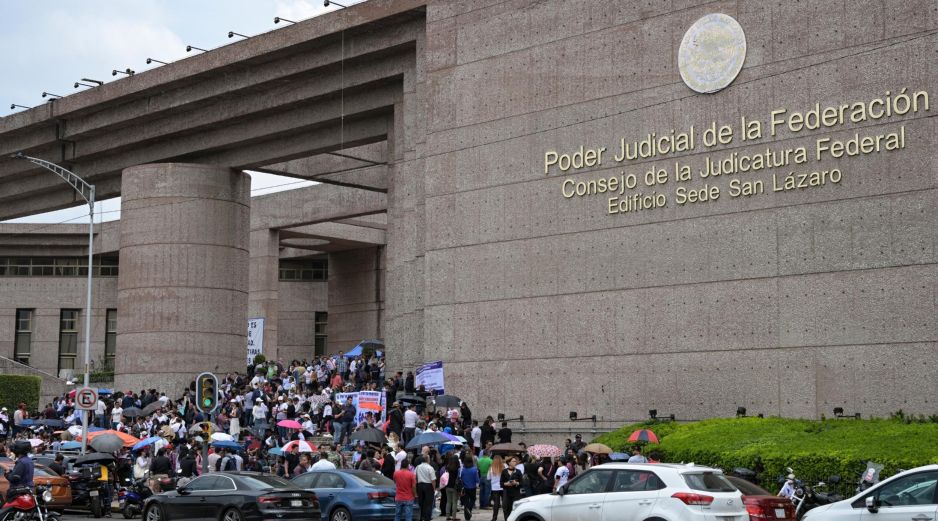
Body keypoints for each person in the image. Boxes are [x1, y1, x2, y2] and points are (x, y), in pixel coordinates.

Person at [393, 454, 416, 521]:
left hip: (398, 497)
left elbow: (395, 482)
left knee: (397, 516)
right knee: (408, 517)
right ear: (407, 465)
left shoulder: (396, 473)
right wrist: (415, 494)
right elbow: (414, 486)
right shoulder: (411, 475)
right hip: (408, 497)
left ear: (401, 465)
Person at [415, 455, 436, 521]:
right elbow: (433, 480)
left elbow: (414, 476)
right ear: (428, 460)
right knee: (429, 503)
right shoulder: (430, 468)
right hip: (428, 486)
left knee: (421, 502)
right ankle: (427, 518)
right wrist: (434, 488)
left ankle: (421, 517)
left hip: (420, 485)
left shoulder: (418, 467)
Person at [459, 454, 480, 520]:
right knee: (473, 499)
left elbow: (460, 478)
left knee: (466, 502)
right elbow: (477, 480)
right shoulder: (474, 469)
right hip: (472, 487)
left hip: (465, 488)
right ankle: (469, 509)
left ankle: (467, 517)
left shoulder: (462, 469)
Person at [443, 454, 460, 521]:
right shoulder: (457, 468)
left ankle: (447, 516)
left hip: (447, 486)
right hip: (454, 486)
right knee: (454, 502)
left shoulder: (447, 467)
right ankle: (454, 517)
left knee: (448, 501)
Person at [487, 455, 503, 521]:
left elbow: (488, 478)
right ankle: (507, 517)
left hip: (494, 488)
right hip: (502, 487)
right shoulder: (503, 467)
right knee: (505, 503)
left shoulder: (491, 468)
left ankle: (494, 518)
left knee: (496, 503)